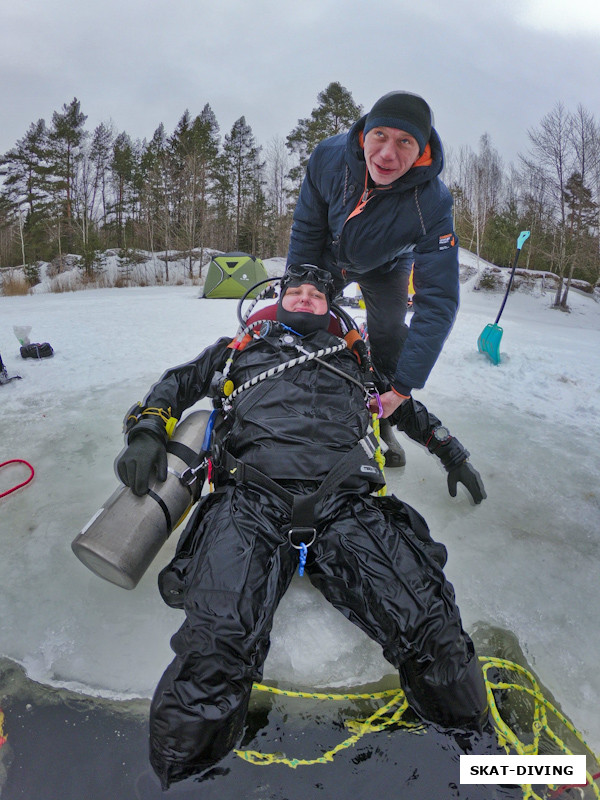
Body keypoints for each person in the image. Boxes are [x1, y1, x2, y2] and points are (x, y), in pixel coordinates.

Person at [116, 265, 487, 789]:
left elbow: (409, 413)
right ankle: (182, 781)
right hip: (249, 502)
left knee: (433, 628)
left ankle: (490, 763)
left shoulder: (358, 362)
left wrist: (453, 453)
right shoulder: (235, 351)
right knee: (215, 648)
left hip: (349, 505)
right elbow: (174, 386)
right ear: (280, 300)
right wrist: (149, 428)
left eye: (317, 294)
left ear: (330, 307)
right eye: (297, 292)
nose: (307, 298)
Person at [287, 90, 460, 465]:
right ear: (365, 133)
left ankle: (383, 425)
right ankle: (300, 412)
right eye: (380, 135)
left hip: (388, 266)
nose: (386, 154)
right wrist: (297, 286)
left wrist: (402, 387)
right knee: (303, 323)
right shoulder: (329, 159)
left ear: (421, 150)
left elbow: (439, 299)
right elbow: (306, 229)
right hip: (329, 259)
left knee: (387, 338)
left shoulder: (432, 202)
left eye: (405, 142)